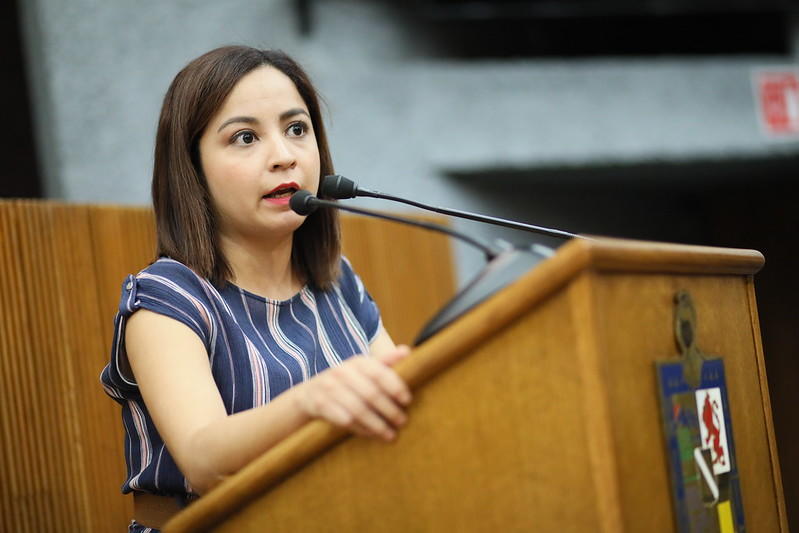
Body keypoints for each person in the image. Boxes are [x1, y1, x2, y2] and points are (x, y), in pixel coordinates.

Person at [100, 45, 412, 533]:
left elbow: (405, 416)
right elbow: (203, 460)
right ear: (192, 168)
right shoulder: (167, 299)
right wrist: (308, 403)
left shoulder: (337, 281)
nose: (284, 156)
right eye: (245, 137)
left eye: (297, 129)